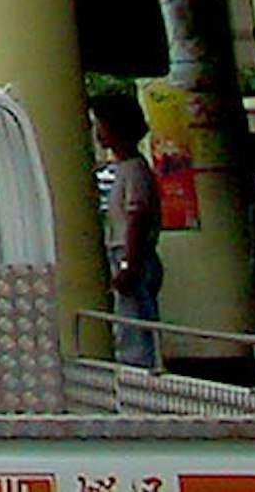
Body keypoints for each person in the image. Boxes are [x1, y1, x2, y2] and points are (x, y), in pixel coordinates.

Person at [93, 86, 164, 368]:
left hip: (131, 255)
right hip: (130, 255)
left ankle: (140, 373)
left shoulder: (133, 171)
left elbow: (137, 218)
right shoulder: (129, 168)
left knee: (134, 325)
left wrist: (128, 264)